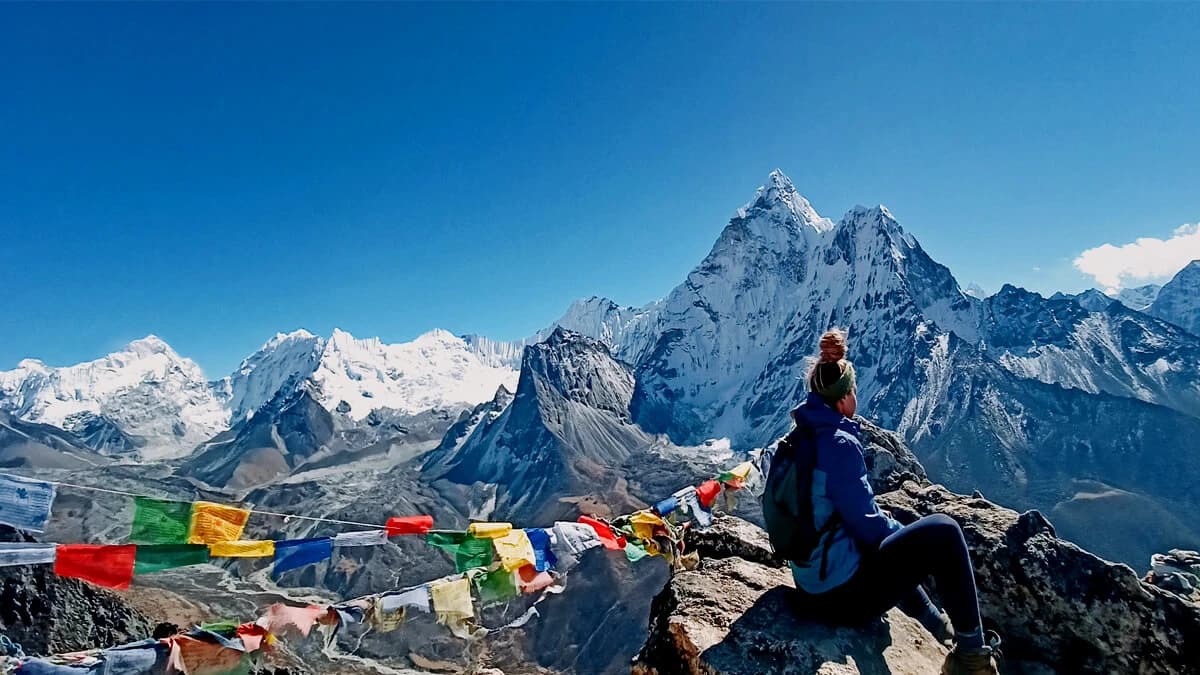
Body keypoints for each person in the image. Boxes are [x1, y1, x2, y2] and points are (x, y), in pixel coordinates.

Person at [765, 329, 999, 675]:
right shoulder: (838, 443)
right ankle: (971, 657)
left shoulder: (801, 436)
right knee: (943, 532)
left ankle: (936, 624)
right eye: (854, 390)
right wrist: (901, 530)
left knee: (894, 540)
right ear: (844, 399)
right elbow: (870, 529)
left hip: (812, 582)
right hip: (837, 597)